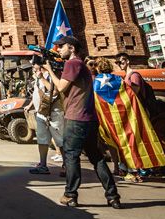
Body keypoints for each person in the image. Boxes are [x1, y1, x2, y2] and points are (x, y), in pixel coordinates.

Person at [46, 36, 121, 209]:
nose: (59, 50)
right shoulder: (82, 66)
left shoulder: (73, 64)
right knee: (97, 158)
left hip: (76, 119)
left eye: (61, 47)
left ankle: (70, 195)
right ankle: (113, 196)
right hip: (89, 118)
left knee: (71, 157)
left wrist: (49, 70)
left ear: (72, 48)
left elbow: (60, 88)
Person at [28, 63, 65, 176]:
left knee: (61, 141)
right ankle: (43, 165)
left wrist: (42, 78)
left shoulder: (51, 76)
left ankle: (67, 166)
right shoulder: (38, 77)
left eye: (34, 66)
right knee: (42, 141)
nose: (33, 69)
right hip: (42, 113)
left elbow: (54, 91)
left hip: (54, 113)